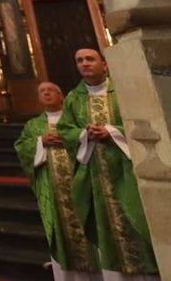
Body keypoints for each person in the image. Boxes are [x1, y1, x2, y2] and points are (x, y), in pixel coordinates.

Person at [57, 48, 160, 280]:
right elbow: (64, 131)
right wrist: (85, 133)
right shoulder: (74, 98)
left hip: (128, 172)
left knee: (140, 224)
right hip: (97, 175)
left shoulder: (123, 91)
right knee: (111, 232)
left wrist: (111, 132)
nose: (84, 64)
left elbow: (145, 121)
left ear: (104, 64)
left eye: (90, 59)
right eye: (79, 61)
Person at [15, 81, 98, 281]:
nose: (46, 94)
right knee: (63, 234)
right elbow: (21, 147)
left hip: (83, 185)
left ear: (62, 96)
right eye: (42, 92)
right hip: (54, 190)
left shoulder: (76, 118)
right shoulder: (34, 125)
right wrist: (40, 141)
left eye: (50, 90)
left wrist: (74, 138)